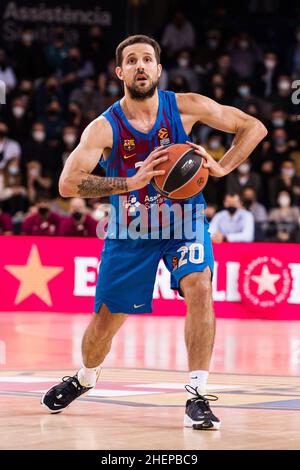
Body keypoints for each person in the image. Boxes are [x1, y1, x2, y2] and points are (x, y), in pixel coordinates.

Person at [41, 35, 267, 429]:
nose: (140, 66)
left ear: (159, 69)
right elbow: (67, 184)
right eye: (132, 60)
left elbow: (253, 127)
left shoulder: (186, 106)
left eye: (148, 59)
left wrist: (223, 167)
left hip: (185, 223)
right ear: (120, 72)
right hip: (131, 229)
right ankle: (85, 376)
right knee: (105, 324)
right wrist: (130, 182)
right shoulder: (104, 127)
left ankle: (197, 393)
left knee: (200, 284)